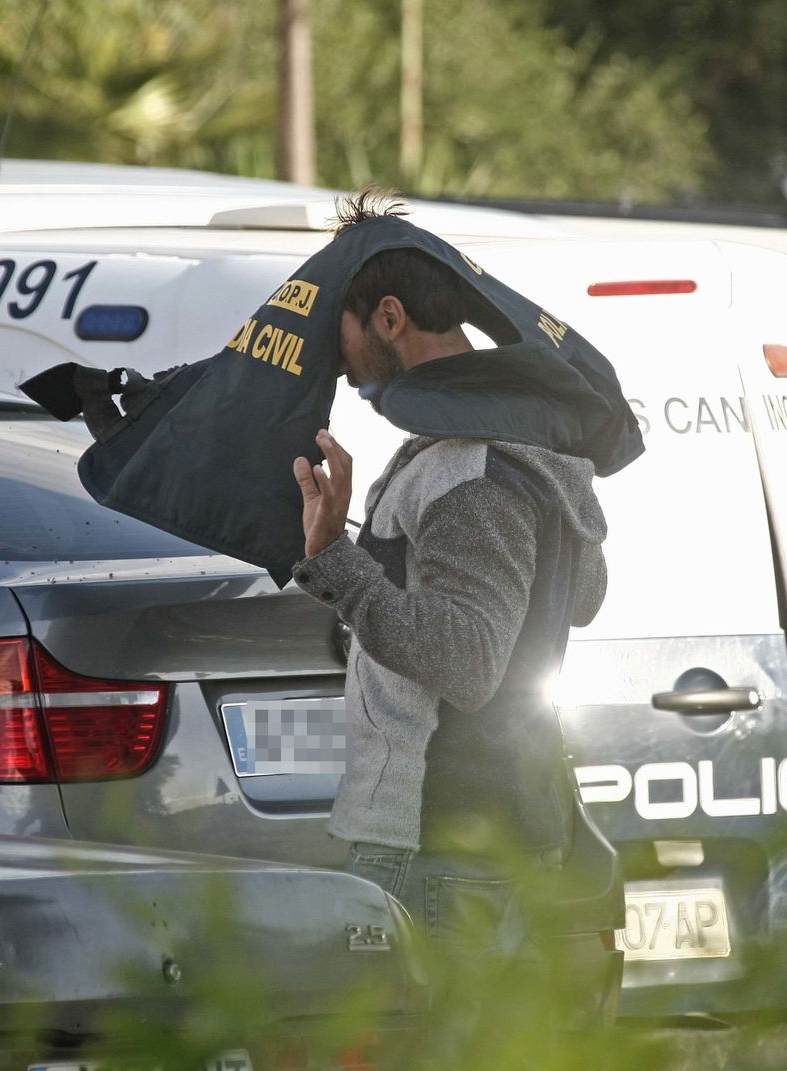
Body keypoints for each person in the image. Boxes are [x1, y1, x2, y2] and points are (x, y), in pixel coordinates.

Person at [289, 191, 611, 1045]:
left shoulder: (468, 467)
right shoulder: (530, 443)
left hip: (443, 844)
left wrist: (337, 563)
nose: (337, 360)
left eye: (343, 331)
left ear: (389, 316)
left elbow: (468, 659)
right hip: (505, 828)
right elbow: (581, 595)